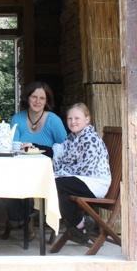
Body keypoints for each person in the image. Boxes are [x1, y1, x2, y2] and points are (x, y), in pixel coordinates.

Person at [3, 81, 67, 240]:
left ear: (47, 101)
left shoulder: (53, 120)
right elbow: (13, 147)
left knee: (27, 181)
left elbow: (65, 149)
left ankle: (19, 219)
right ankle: (25, 218)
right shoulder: (17, 118)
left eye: (42, 98)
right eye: (34, 97)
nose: (38, 101)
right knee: (4, 178)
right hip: (21, 166)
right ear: (27, 98)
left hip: (48, 170)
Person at [53, 102, 111, 244]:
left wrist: (60, 172)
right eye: (69, 119)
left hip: (95, 182)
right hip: (83, 179)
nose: (73, 122)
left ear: (87, 119)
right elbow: (64, 158)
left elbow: (85, 168)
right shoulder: (73, 138)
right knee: (58, 188)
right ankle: (79, 225)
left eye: (77, 118)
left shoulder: (89, 138)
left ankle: (78, 225)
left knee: (55, 184)